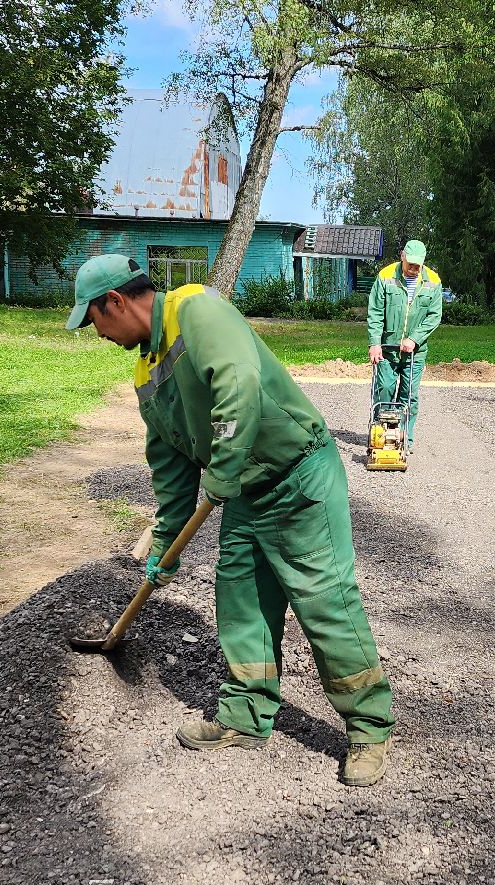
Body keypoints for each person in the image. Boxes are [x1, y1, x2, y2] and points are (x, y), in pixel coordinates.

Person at [66, 254, 397, 786]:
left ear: (116, 302)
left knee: (324, 600)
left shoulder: (198, 310)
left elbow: (237, 384)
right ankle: (245, 715)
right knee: (240, 598)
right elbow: (169, 463)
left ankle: (368, 727)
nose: (98, 334)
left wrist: (221, 469)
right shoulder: (146, 371)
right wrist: (166, 541)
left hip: (298, 475)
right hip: (244, 491)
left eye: (94, 320)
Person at [366, 240, 444, 449]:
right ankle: (380, 434)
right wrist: (375, 343)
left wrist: (414, 339)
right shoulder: (386, 276)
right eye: (410, 264)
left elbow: (434, 316)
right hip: (387, 349)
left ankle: (404, 438)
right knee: (384, 389)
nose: (413, 269)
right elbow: (375, 312)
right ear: (402, 256)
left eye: (418, 265)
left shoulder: (433, 281)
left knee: (409, 395)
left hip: (415, 353)